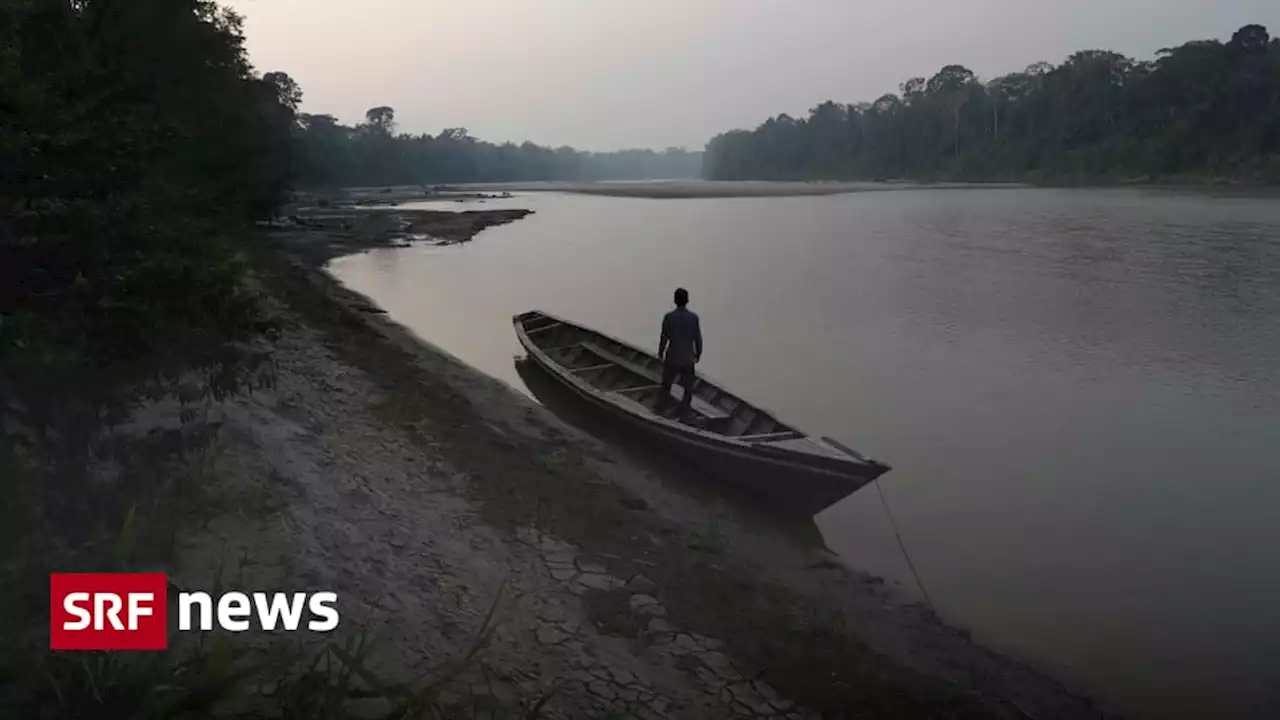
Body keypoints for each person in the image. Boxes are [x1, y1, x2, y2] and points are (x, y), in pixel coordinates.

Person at [657, 287, 702, 416]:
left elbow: (664, 337)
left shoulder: (669, 317)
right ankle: (685, 409)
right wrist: (698, 353)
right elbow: (697, 338)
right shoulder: (693, 318)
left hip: (673, 356)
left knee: (666, 383)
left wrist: (660, 352)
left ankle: (662, 406)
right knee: (688, 387)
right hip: (688, 357)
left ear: (675, 300)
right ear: (687, 300)